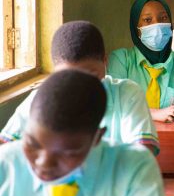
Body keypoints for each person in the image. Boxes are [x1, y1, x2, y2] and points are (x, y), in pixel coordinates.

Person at [0, 70, 174, 196]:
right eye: (32, 143)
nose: (44, 163)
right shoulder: (6, 163)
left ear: (97, 137)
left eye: (68, 152)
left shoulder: (132, 165)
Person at [1, 21, 159, 155]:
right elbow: (5, 147)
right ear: (55, 72)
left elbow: (143, 154)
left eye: (91, 75)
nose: (79, 87)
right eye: (68, 77)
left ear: (105, 62)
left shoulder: (126, 94)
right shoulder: (41, 98)